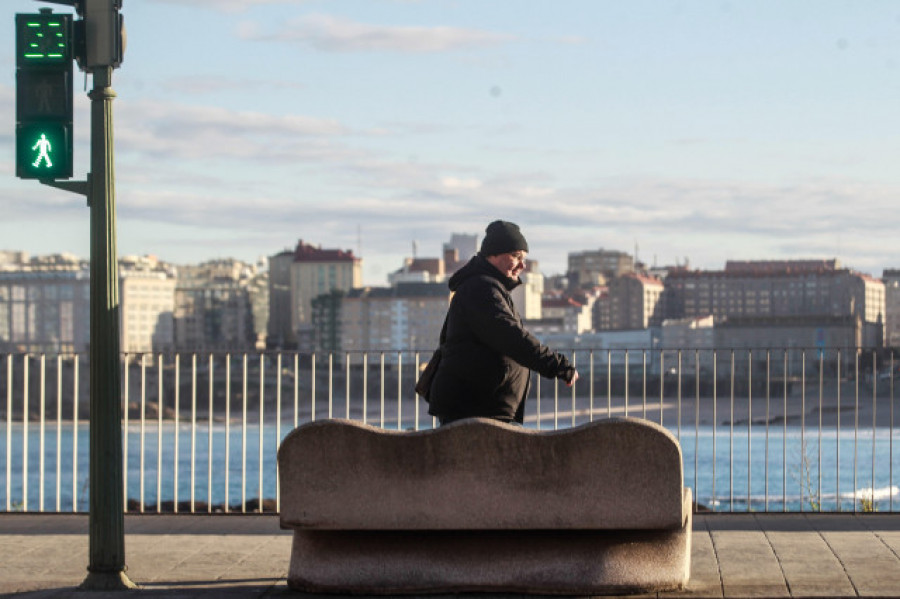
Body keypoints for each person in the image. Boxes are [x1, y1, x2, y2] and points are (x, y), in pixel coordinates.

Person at [428, 220, 579, 425]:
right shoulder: (481, 289)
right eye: (516, 256)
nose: (522, 265)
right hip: (476, 410)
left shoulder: (487, 287)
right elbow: (511, 336)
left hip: (484, 409)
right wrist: (557, 365)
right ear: (493, 254)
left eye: (523, 258)